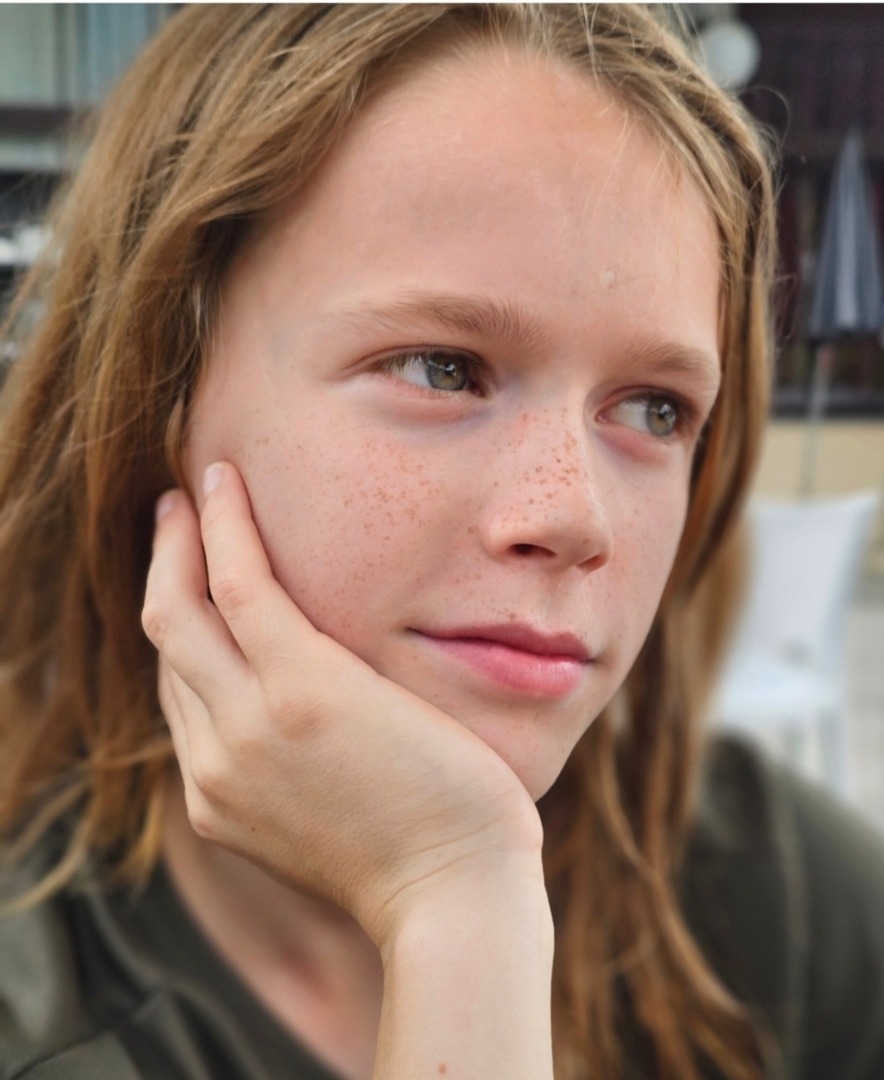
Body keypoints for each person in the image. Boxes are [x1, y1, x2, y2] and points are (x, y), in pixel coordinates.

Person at [0, 4, 882, 1079]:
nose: (574, 516)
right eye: (442, 369)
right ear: (159, 395)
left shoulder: (798, 919)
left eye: (654, 410)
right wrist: (454, 898)